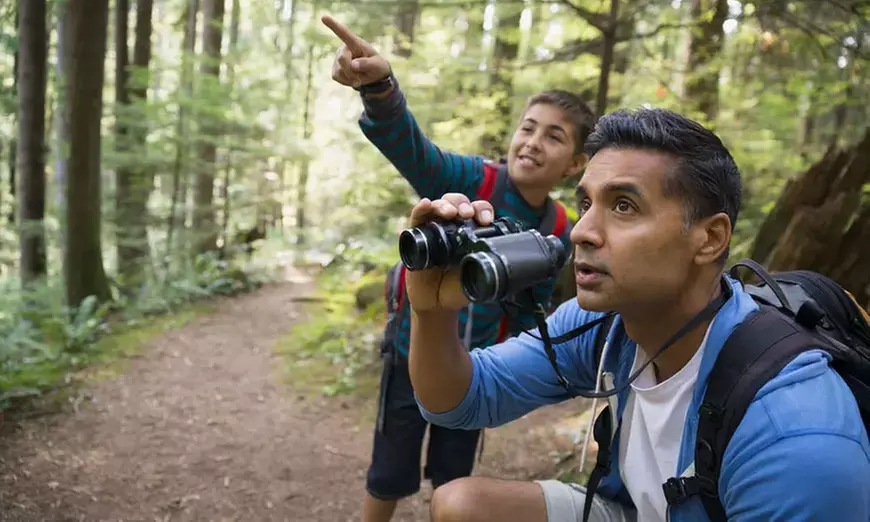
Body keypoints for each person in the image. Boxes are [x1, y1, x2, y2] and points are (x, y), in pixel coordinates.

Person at [402, 107, 870, 522]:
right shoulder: (610, 326)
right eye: (586, 203)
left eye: (624, 206)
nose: (582, 231)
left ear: (709, 238)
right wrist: (430, 312)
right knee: (462, 506)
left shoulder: (793, 443)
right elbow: (461, 400)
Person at [320, 14, 597, 522]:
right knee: (389, 471)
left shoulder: (562, 228)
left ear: (575, 163)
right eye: (527, 128)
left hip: (478, 369)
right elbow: (416, 154)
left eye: (554, 137)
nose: (533, 142)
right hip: (412, 352)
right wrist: (381, 89)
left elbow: (541, 308)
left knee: (455, 478)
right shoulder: (476, 179)